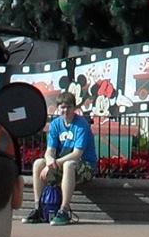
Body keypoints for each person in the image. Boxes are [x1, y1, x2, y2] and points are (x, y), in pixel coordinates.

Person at [26, 88, 98, 227]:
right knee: (38, 163)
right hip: (62, 165)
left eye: (69, 107)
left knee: (68, 164)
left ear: (74, 108)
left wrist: (53, 164)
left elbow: (77, 154)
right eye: (62, 107)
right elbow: (50, 151)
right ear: (58, 109)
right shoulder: (55, 125)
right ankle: (38, 208)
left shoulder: (81, 124)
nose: (65, 110)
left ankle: (64, 210)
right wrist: (48, 161)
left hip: (86, 166)